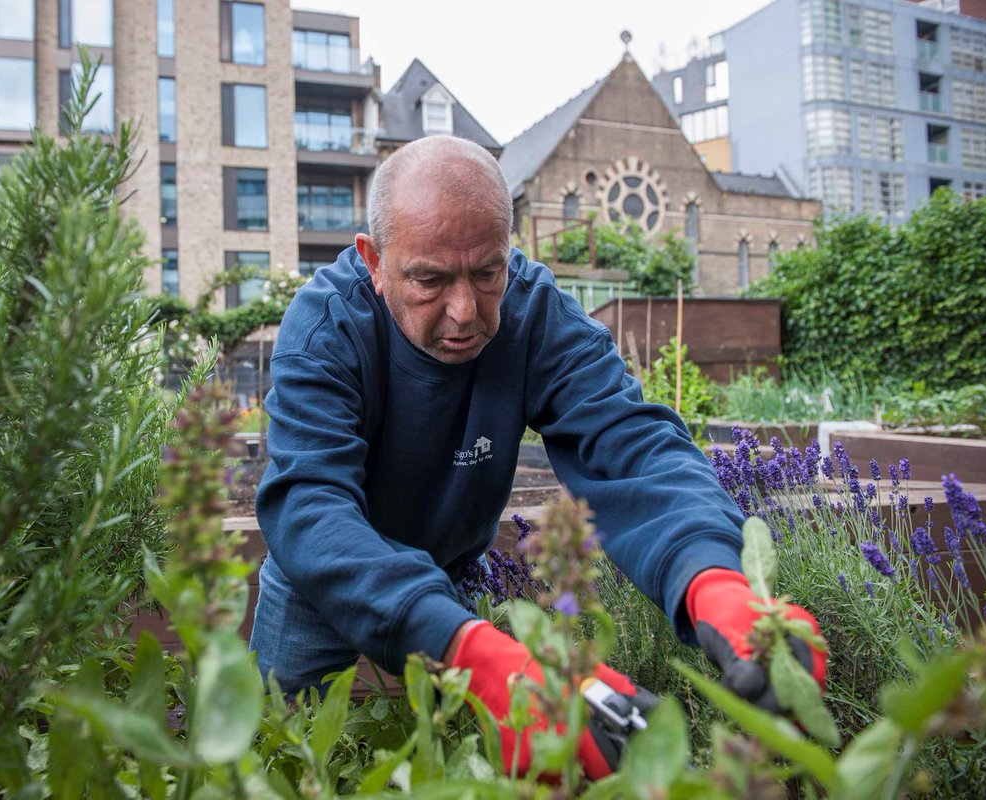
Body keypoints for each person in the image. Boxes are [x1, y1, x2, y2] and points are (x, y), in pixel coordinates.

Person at [251, 135, 826, 778]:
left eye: (488, 272)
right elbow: (309, 502)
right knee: (277, 755)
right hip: (322, 574)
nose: (464, 312)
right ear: (374, 261)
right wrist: (465, 646)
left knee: (458, 763)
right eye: (430, 280)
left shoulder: (536, 313)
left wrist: (714, 576)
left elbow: (631, 445)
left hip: (448, 575)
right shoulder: (326, 326)